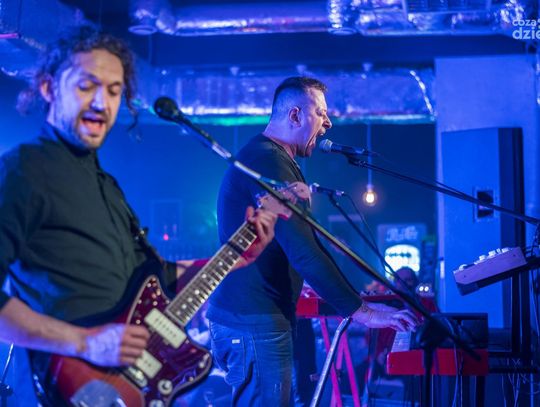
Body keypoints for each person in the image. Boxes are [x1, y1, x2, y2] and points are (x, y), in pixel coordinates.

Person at [0, 26, 277, 404]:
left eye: (115, 91)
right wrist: (86, 342)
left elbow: (155, 279)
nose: (103, 102)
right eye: (87, 86)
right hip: (66, 388)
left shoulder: (104, 183)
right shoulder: (22, 171)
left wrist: (233, 258)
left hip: (129, 386)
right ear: (48, 88)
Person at [208, 76, 419, 406]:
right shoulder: (268, 161)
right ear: (295, 115)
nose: (328, 123)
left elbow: (299, 244)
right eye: (321, 113)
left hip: (250, 318)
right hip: (253, 321)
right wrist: (361, 311)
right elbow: (304, 251)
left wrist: (351, 299)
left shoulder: (270, 158)